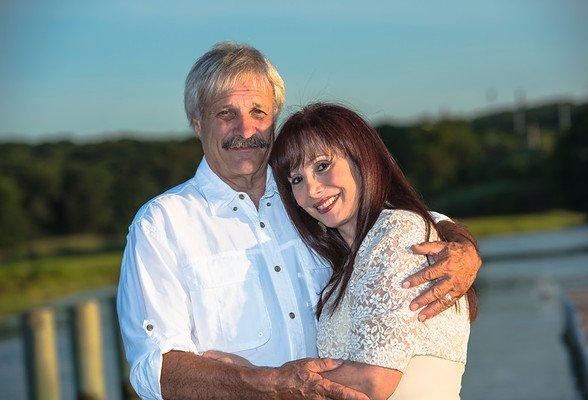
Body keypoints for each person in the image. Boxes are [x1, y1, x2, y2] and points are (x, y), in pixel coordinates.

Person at [116, 42, 482, 400]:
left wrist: (462, 247)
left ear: (274, 117)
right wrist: (262, 384)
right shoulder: (162, 223)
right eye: (226, 114)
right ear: (197, 122)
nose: (246, 129)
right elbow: (154, 369)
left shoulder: (311, 197)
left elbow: (403, 222)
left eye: (258, 112)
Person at [270, 103, 477, 399]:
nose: (312, 190)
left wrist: (265, 383)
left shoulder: (397, 232)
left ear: (360, 158)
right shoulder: (347, 260)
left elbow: (375, 380)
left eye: (322, 165)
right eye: (296, 180)